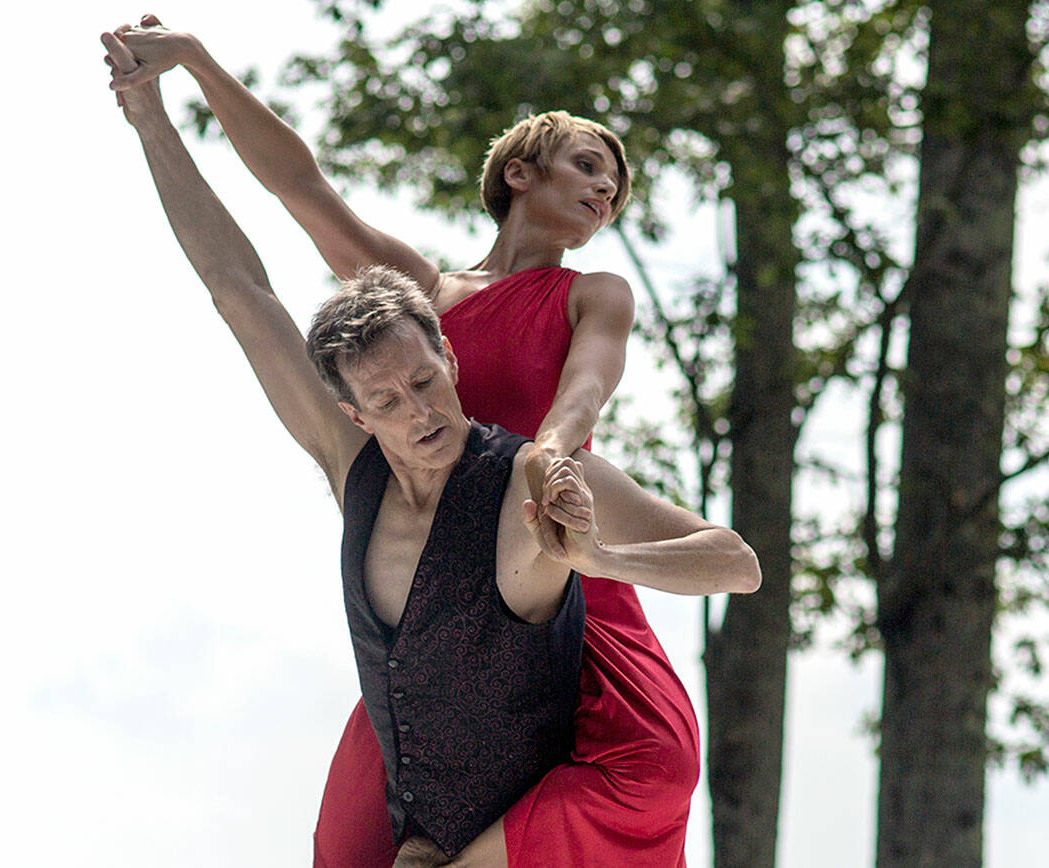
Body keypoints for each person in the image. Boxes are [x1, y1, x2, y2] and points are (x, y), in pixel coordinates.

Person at [102, 20, 723, 866]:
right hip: (426, 590)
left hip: (544, 540)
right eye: (588, 165)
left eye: (614, 188)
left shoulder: (593, 294)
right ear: (519, 171)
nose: (605, 191)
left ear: (449, 365)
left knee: (629, 780)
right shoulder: (423, 301)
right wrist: (193, 72)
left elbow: (585, 390)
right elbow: (293, 198)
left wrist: (553, 470)